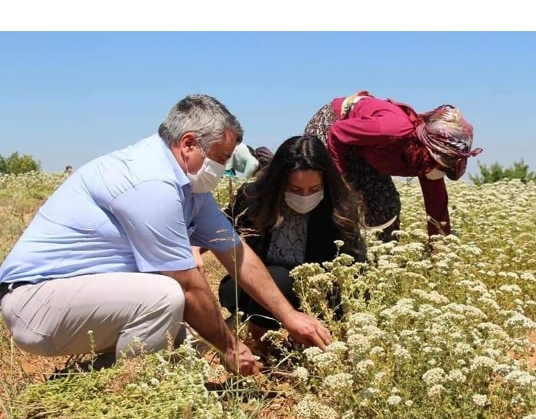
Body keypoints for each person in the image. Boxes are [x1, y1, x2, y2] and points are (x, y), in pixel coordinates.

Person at [0, 94, 332, 377]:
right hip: (34, 302)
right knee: (167, 297)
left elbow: (235, 252)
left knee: (185, 342)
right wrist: (230, 348)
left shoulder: (189, 189)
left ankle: (81, 384)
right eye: (219, 158)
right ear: (188, 143)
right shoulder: (151, 183)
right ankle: (112, 393)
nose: (224, 168)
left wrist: (289, 317)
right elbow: (187, 286)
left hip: (73, 296)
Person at [214, 135, 366, 351]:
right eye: (295, 190)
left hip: (314, 290)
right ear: (279, 182)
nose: (304, 196)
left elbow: (356, 266)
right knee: (278, 278)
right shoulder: (253, 198)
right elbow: (218, 226)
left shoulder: (339, 207)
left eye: (314, 190)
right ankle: (260, 337)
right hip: (259, 288)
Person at [304, 90, 483, 242]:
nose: (440, 171)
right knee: (338, 205)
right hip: (333, 128)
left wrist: (439, 248)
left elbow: (437, 206)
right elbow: (338, 133)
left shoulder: (427, 162)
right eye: (442, 165)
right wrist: (340, 184)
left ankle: (377, 258)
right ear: (428, 150)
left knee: (385, 204)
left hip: (368, 148)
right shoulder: (392, 131)